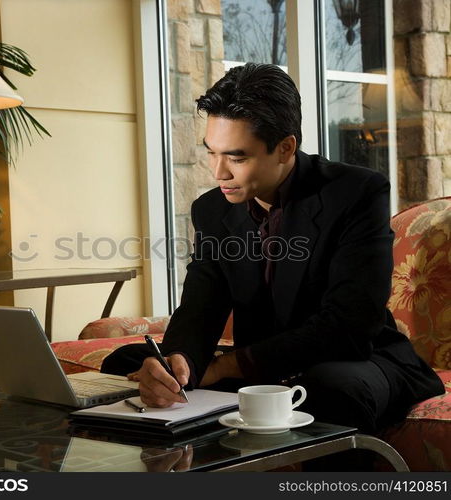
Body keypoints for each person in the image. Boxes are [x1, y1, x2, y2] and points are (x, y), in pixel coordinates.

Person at [101, 63, 444, 443]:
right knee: (128, 364)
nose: (219, 173)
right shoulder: (212, 210)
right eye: (211, 153)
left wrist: (225, 367)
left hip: (355, 358)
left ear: (285, 148)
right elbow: (200, 306)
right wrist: (179, 362)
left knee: (331, 387)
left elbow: (351, 325)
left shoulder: (356, 193)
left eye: (237, 157)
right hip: (261, 362)